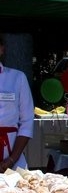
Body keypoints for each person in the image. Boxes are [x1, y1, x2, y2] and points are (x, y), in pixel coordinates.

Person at [0, 35, 34, 172]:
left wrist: (12, 159)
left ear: (2, 49)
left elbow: (27, 122)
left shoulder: (18, 78)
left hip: (14, 160)